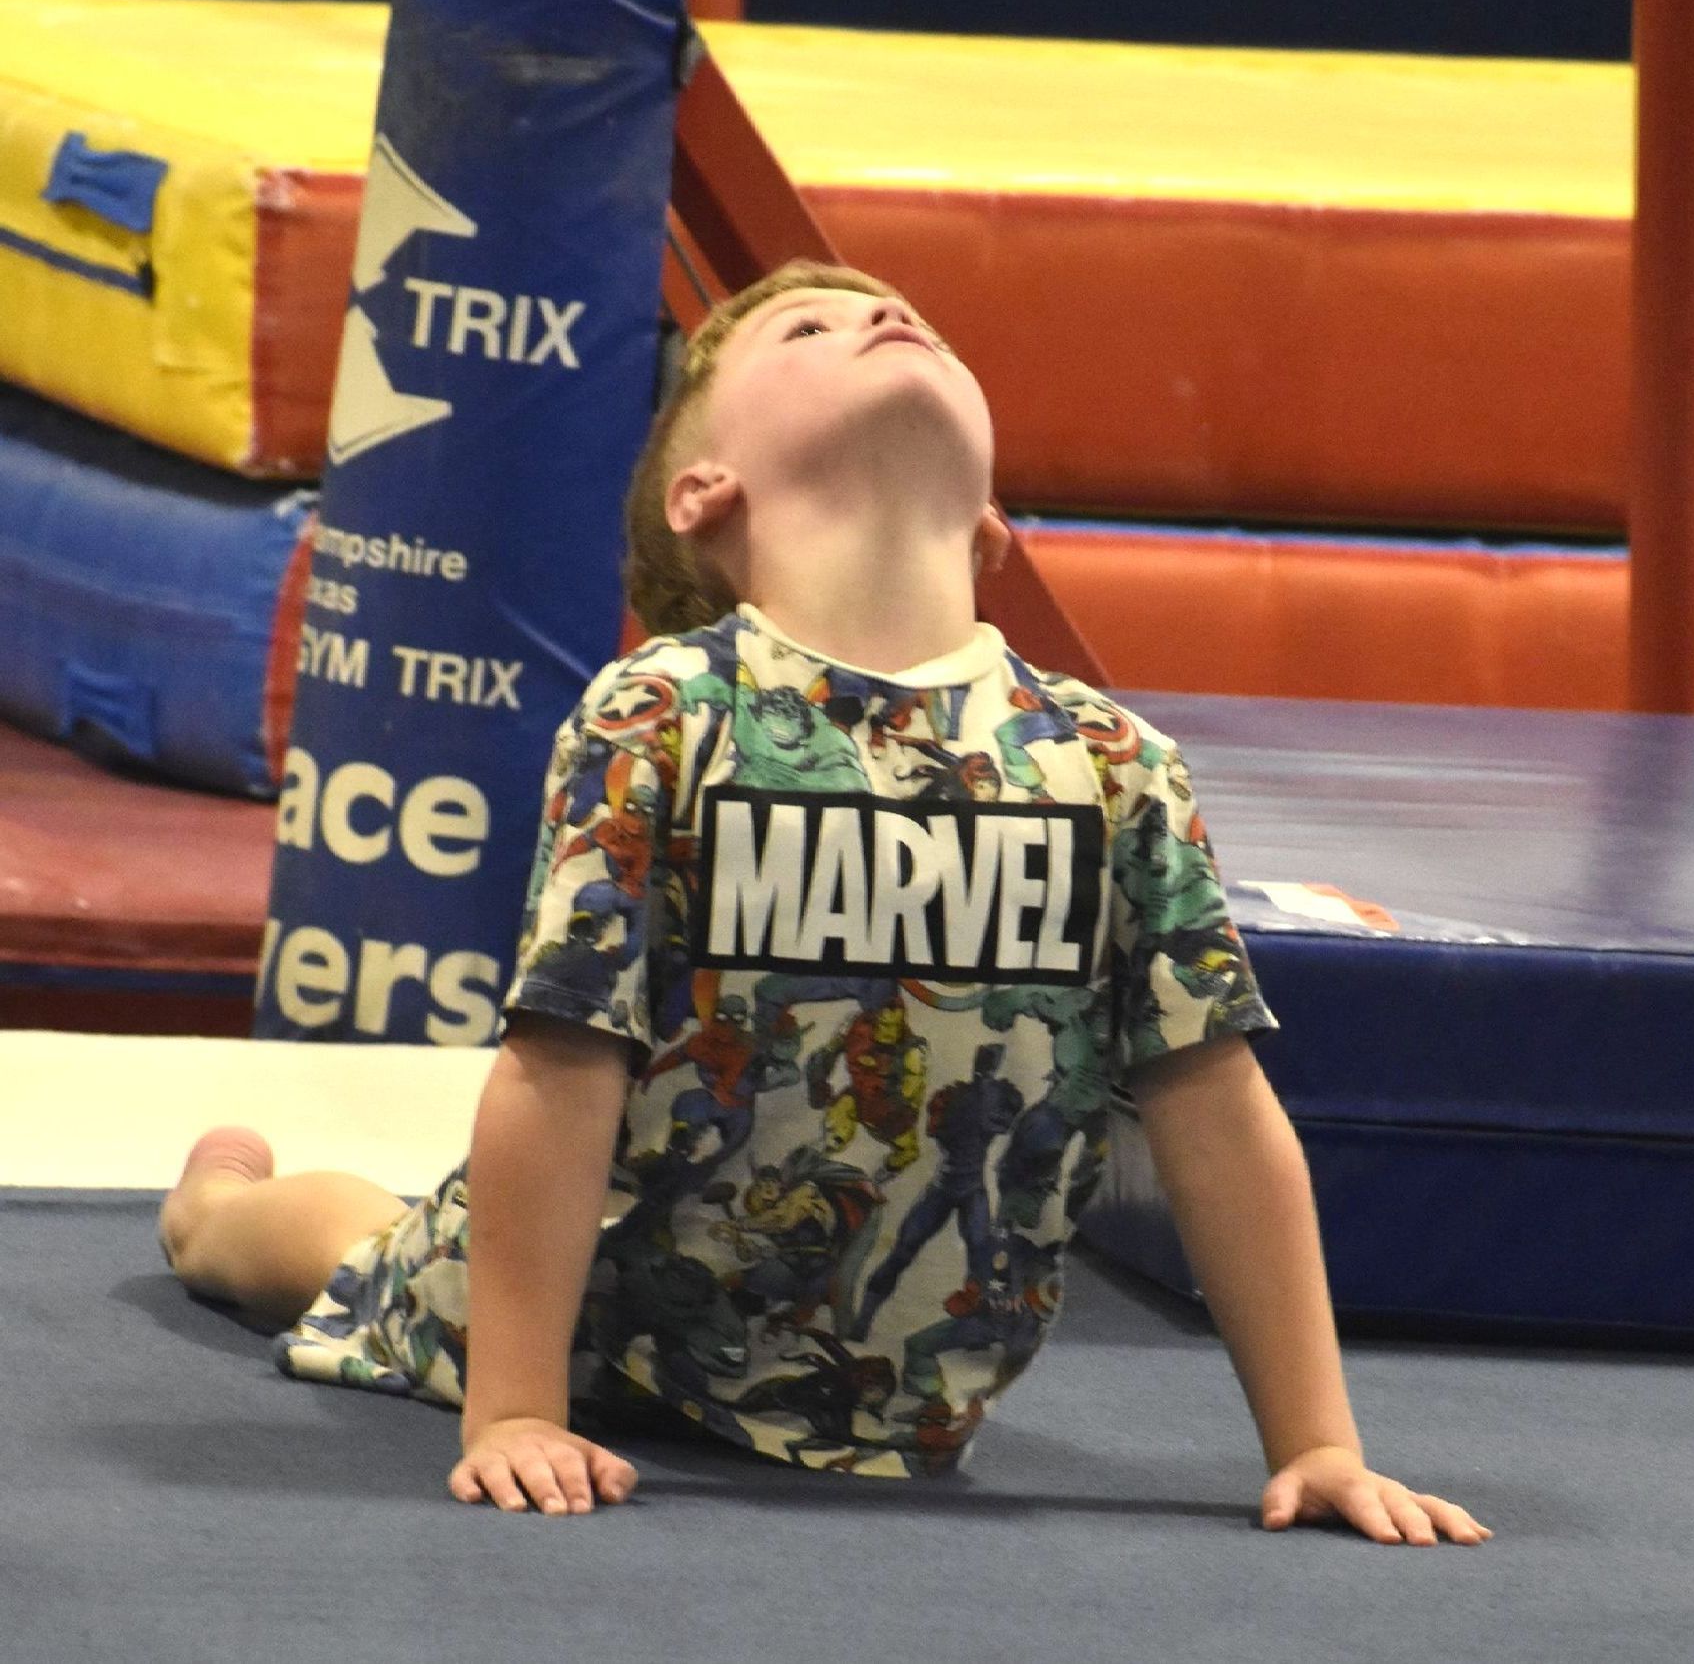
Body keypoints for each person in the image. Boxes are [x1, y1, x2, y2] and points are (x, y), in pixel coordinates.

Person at [160, 259, 1492, 1545]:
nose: (880, 318)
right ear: (704, 490)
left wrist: (1316, 1443)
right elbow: (560, 1064)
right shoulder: (666, 718)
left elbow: (1216, 1108)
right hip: (599, 1310)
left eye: (905, 317)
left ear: (990, 532)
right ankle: (214, 1209)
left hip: (887, 1390)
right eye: (809, 332)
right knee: (361, 1251)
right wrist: (514, 1407)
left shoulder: (1109, 764)